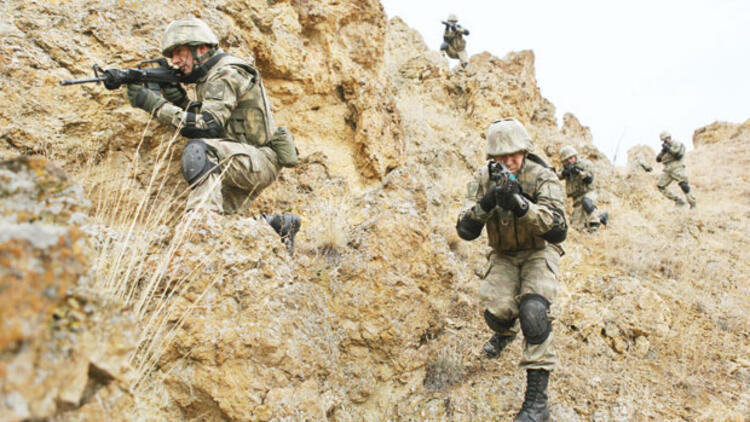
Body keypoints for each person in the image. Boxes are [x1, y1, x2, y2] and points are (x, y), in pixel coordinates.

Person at [124, 17, 300, 251]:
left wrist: (155, 105)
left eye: (179, 52)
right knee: (227, 230)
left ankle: (200, 224)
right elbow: (215, 118)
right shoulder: (210, 76)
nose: (174, 61)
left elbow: (207, 127)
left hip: (257, 160)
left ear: (201, 48)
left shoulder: (227, 72)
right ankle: (278, 225)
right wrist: (180, 101)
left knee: (200, 151)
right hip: (239, 156)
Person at [456, 118, 567, 421]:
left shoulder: (542, 176)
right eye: (500, 157)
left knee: (533, 311)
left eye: (514, 154)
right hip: (503, 254)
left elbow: (558, 231)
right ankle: (505, 332)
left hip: (539, 251)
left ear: (525, 150)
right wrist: (488, 201)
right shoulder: (482, 178)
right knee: (497, 313)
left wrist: (521, 205)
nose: (508, 162)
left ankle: (537, 405)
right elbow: (465, 230)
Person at [557, 146, 608, 232]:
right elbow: (557, 176)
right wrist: (565, 173)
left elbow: (589, 179)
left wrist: (579, 172)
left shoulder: (585, 164)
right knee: (576, 226)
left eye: (571, 158)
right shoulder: (565, 167)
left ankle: (595, 223)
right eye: (566, 160)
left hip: (588, 193)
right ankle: (601, 217)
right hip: (577, 198)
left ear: (575, 156)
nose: (569, 161)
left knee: (587, 203)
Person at [656, 131, 696, 208]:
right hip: (668, 170)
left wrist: (669, 149)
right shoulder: (665, 147)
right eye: (664, 140)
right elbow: (658, 159)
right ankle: (678, 200)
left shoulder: (677, 144)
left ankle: (692, 203)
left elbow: (678, 155)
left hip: (677, 168)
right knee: (660, 186)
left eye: (667, 139)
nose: (666, 141)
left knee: (684, 185)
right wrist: (663, 151)